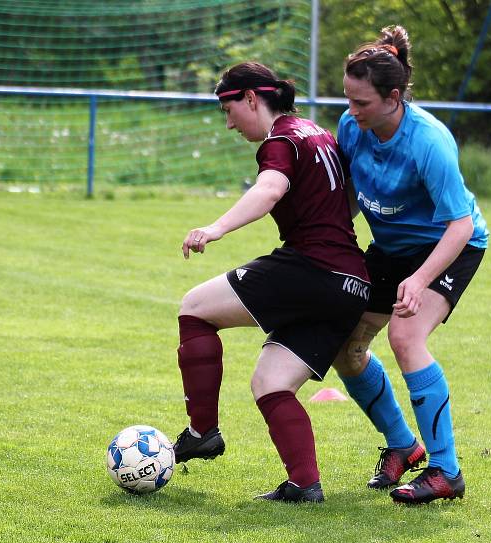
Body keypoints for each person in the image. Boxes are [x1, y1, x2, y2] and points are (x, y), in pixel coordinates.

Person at [172, 61, 370, 504]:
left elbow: (269, 190)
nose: (228, 124)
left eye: (228, 110)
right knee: (271, 382)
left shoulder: (279, 139)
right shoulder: (316, 133)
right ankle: (304, 484)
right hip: (351, 284)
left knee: (194, 308)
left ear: (250, 98)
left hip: (313, 269)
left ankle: (201, 431)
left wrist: (215, 228)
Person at [333, 25, 489, 505]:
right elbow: (355, 200)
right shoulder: (351, 127)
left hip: (449, 246)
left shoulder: (429, 140)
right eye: (348, 99)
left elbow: (459, 225)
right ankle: (404, 446)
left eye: (361, 103)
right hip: (392, 248)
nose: (351, 110)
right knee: (347, 347)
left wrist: (419, 281)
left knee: (405, 337)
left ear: (394, 97)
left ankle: (447, 472)